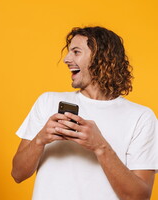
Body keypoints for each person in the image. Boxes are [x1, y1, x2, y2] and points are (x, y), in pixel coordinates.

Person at [12, 26, 158, 199]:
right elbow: (17, 174)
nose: (66, 59)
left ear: (101, 58)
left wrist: (100, 146)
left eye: (76, 52)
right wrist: (41, 139)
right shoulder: (48, 102)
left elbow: (139, 197)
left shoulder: (141, 117)